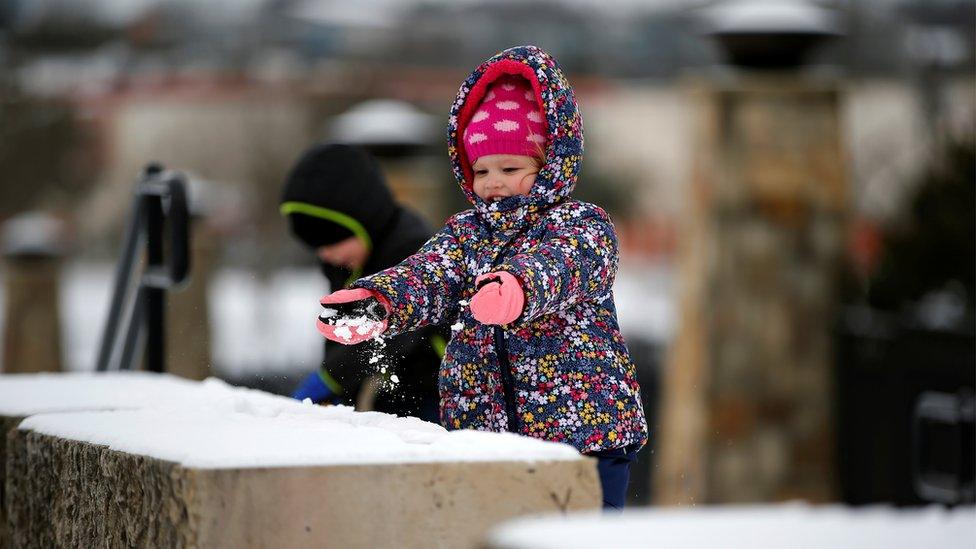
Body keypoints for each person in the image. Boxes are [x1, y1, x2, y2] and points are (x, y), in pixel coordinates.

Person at [314, 46, 647, 510]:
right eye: (481, 170)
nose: (493, 182)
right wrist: (379, 302)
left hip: (584, 431)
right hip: (486, 435)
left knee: (583, 533)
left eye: (510, 169)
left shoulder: (581, 225)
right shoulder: (464, 235)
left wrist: (517, 288)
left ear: (551, 163)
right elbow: (428, 276)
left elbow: (563, 265)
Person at [280, 143, 444, 423]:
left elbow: (394, 331)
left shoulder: (411, 248)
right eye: (316, 246)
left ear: (365, 219)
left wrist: (331, 377)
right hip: (386, 391)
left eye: (333, 239)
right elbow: (341, 330)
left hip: (435, 386)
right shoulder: (344, 260)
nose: (325, 253)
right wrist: (337, 392)